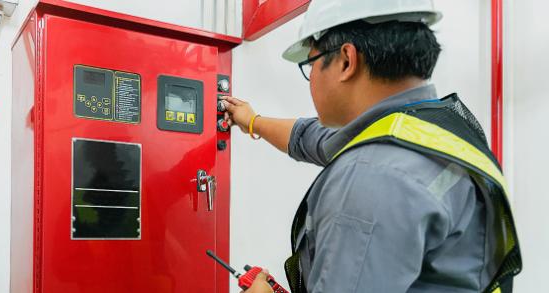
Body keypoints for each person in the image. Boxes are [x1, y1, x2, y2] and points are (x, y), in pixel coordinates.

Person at [222, 0, 522, 292]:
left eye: (310, 64)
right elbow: (313, 138)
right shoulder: (436, 131)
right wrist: (251, 120)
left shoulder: (372, 176)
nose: (311, 77)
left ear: (346, 60)